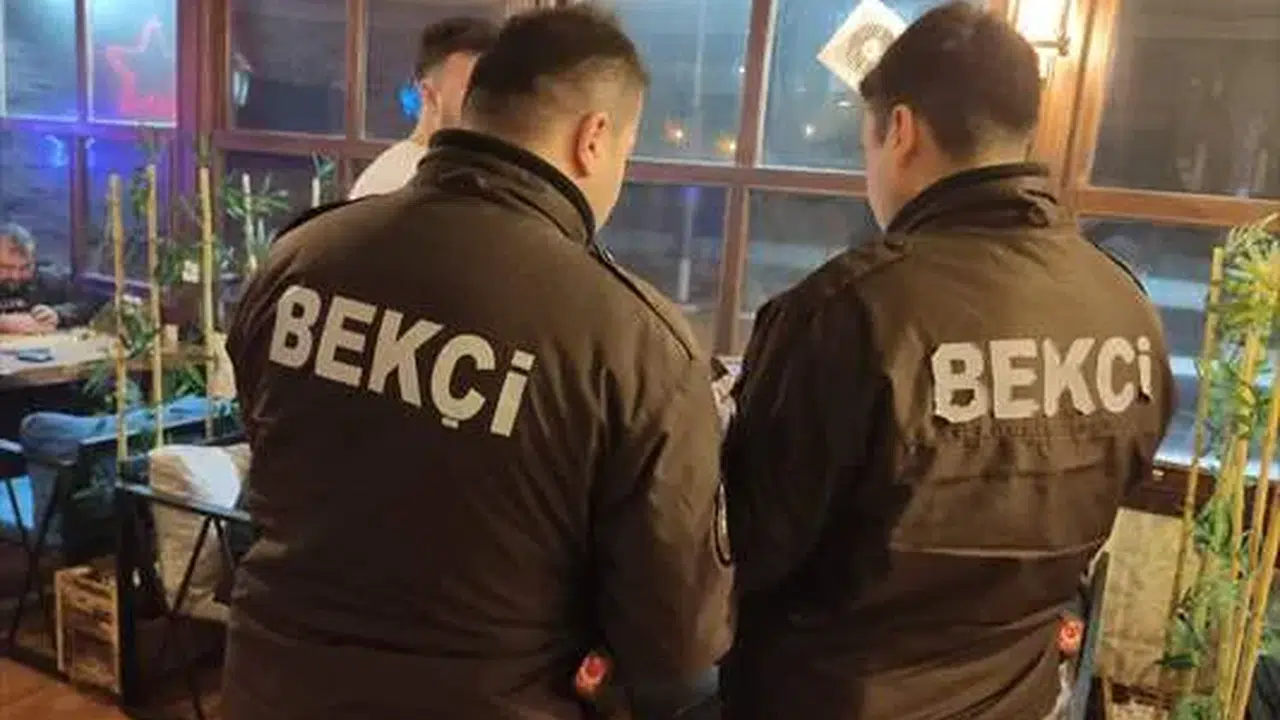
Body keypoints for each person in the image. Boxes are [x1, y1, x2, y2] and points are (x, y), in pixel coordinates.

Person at [224, 7, 732, 720]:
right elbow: (675, 638)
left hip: (273, 687)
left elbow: (267, 441)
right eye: (627, 147)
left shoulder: (302, 257)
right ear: (593, 139)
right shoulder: (634, 340)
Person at [718, 4, 1173, 720]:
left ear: (900, 131)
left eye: (866, 146)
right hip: (1015, 697)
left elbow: (747, 545)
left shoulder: (848, 312)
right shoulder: (1126, 308)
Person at [349, 16, 499, 199]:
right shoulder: (395, 183)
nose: (486, 104)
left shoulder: (468, 171)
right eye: (470, 90)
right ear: (429, 94)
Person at [0, 223, 102, 335]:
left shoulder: (50, 279)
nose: (16, 276)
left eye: (25, 267)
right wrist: (3, 323)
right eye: (7, 267)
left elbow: (93, 302)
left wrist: (59, 314)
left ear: (34, 262)